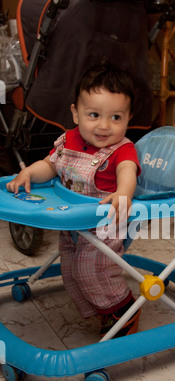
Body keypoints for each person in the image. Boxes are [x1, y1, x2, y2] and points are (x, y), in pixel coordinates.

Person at [6, 62, 142, 337]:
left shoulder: (122, 149)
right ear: (76, 114)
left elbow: (127, 172)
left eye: (116, 117)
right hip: (71, 221)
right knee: (69, 269)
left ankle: (124, 310)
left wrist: (124, 193)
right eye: (94, 115)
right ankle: (99, 310)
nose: (104, 126)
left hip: (103, 223)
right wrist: (28, 173)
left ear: (128, 118)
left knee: (89, 268)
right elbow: (51, 165)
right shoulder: (68, 140)